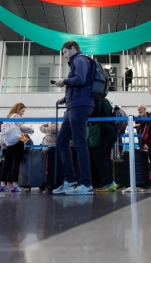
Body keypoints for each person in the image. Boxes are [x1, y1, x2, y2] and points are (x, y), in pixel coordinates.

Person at [52, 40, 95, 195]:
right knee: (62, 141)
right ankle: (70, 180)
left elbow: (81, 79)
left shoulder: (80, 59)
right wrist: (66, 99)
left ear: (73, 49)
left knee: (79, 143)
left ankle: (86, 183)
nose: (64, 56)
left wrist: (64, 81)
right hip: (74, 105)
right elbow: (79, 84)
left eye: (65, 52)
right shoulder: (76, 61)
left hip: (80, 105)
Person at [0, 104, 34, 192]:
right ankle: (15, 185)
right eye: (22, 111)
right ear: (18, 109)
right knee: (16, 163)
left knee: (6, 164)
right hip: (17, 142)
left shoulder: (9, 117)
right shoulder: (17, 116)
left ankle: (2, 185)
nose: (22, 113)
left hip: (7, 143)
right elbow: (20, 127)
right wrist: (30, 130)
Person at [90, 97, 120, 192]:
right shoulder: (105, 100)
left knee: (98, 156)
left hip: (101, 130)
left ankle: (108, 182)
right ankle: (109, 182)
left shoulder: (94, 99)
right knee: (106, 157)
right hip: (111, 130)